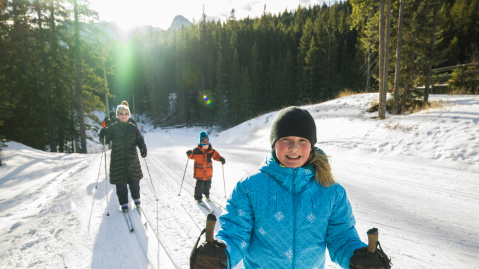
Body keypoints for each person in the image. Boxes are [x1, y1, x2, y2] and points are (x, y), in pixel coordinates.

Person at [195, 106, 389, 268]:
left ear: (311, 146)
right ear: (274, 144)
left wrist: (358, 258)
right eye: (285, 139)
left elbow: (342, 237)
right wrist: (221, 255)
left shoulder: (330, 191)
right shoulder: (250, 187)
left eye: (302, 141)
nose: (294, 147)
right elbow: (235, 233)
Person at [99, 104, 147, 212]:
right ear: (118, 115)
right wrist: (102, 135)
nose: (123, 116)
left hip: (132, 159)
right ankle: (124, 202)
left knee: (134, 181)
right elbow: (105, 142)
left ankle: (136, 199)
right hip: (118, 160)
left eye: (126, 114)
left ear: (128, 115)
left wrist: (143, 148)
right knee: (121, 183)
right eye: (121, 114)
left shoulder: (133, 128)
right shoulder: (112, 128)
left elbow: (140, 140)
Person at [186, 131, 225, 203]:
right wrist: (189, 153)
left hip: (208, 173)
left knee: (208, 186)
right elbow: (191, 156)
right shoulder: (196, 151)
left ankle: (206, 194)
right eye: (204, 146)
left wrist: (221, 159)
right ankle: (198, 198)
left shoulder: (211, 151)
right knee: (199, 187)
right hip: (199, 173)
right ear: (201, 145)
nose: (205, 147)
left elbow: (216, 156)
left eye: (206, 145)